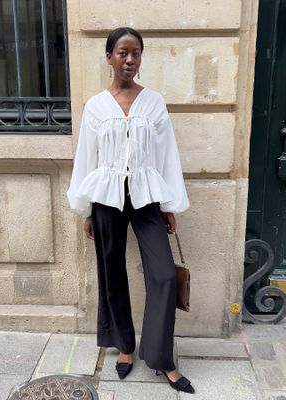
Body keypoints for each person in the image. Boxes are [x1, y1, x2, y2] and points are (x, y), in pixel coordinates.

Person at [67, 27, 194, 394]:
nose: (130, 59)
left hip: (146, 195)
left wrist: (169, 205)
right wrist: (87, 208)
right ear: (109, 57)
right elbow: (86, 159)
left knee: (164, 275)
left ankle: (161, 357)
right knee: (112, 272)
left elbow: (167, 155)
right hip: (106, 196)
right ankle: (124, 346)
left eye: (136, 53)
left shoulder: (154, 102)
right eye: (122, 52)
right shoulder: (96, 106)